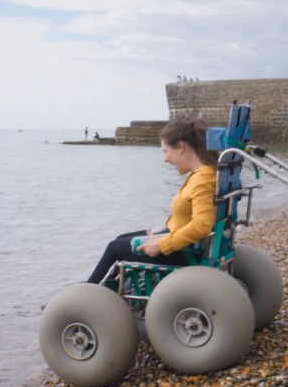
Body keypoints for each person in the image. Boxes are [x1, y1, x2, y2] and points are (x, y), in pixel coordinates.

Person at [87, 119, 218, 284]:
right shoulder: (202, 174)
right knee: (120, 239)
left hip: (186, 253)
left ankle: (85, 295)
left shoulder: (203, 179)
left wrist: (162, 244)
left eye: (166, 151)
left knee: (114, 249)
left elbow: (202, 225)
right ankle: (101, 291)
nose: (165, 159)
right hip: (182, 242)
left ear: (181, 147)